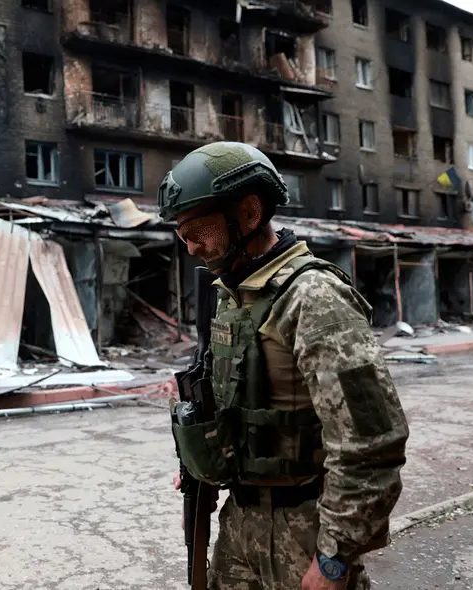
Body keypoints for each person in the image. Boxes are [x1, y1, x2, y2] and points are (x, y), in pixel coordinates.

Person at [160, 141, 409, 590]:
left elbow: (371, 444)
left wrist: (335, 555)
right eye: (182, 235)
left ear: (250, 214)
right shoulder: (234, 294)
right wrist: (205, 459)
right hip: (240, 527)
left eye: (198, 229)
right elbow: (233, 404)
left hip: (305, 531)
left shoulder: (312, 297)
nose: (192, 247)